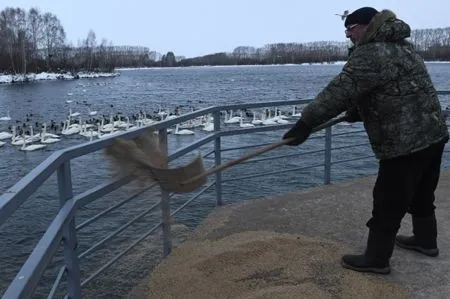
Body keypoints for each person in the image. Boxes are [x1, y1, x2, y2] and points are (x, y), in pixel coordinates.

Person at [283, 7, 449, 275]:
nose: (348, 33)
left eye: (352, 27)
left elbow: (340, 91)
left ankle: (376, 259)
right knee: (421, 192)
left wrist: (305, 124)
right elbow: (394, 90)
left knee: (387, 201)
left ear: (369, 25)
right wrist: (358, 112)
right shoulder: (402, 47)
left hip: (404, 142)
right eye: (346, 29)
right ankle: (425, 240)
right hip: (433, 134)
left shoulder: (372, 53)